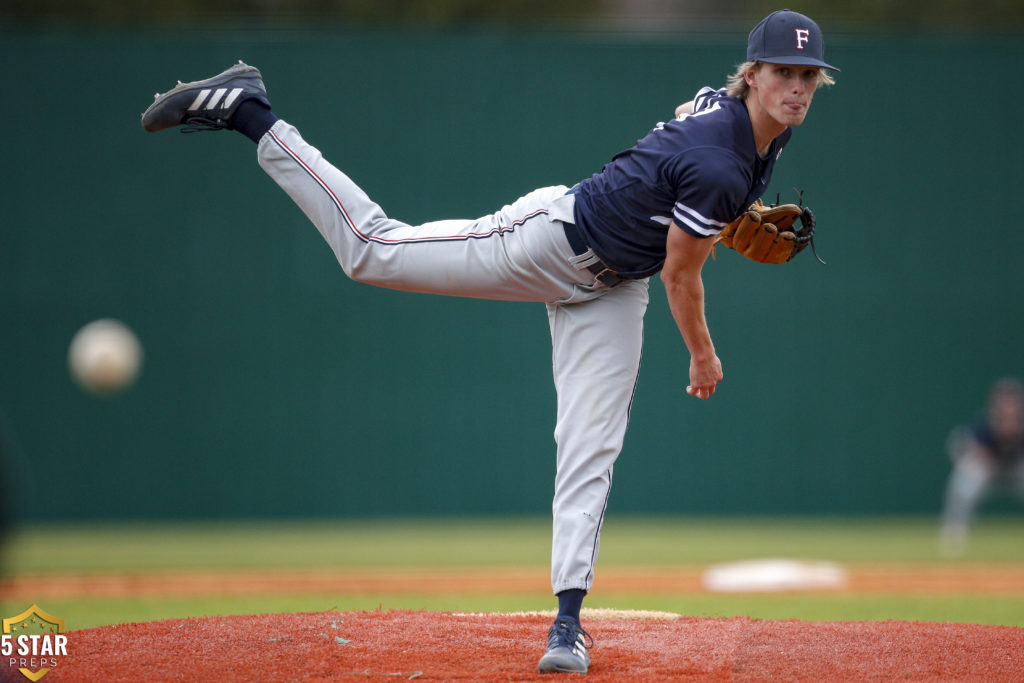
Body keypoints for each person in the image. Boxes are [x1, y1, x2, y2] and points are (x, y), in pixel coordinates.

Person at [142, 9, 838, 674]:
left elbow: (687, 152)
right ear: (752, 74)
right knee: (370, 249)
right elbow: (683, 277)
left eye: (808, 75)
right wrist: (703, 352)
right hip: (550, 241)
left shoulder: (755, 133)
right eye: (784, 72)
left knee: (591, 443)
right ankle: (249, 111)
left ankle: (567, 623)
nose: (797, 87)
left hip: (616, 284)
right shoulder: (721, 161)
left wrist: (717, 212)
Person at [940, 378, 1024, 556]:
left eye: (1012, 401)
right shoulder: (984, 425)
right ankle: (955, 536)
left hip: (1017, 470)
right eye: (1004, 400)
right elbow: (957, 445)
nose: (1008, 406)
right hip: (989, 470)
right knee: (964, 482)